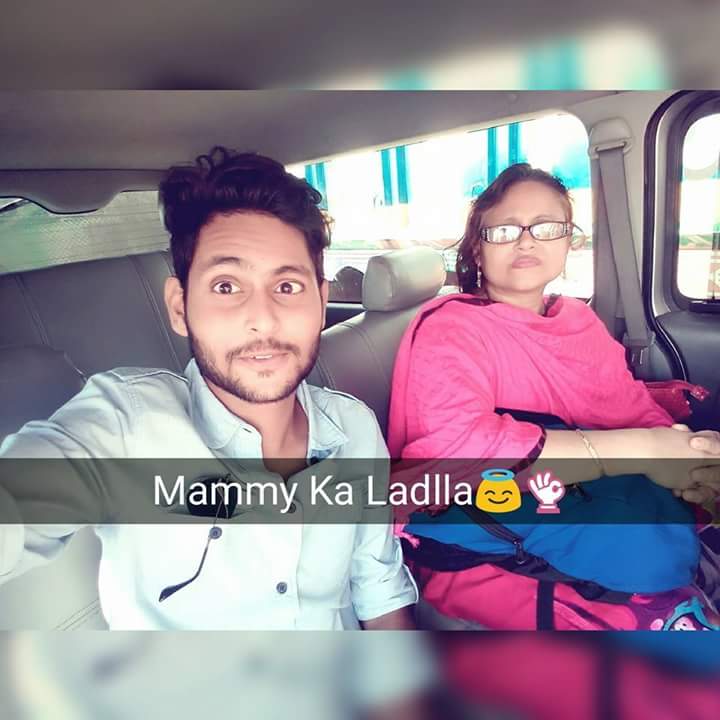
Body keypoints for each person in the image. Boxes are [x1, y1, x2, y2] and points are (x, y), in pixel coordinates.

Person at [0, 147, 417, 630]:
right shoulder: (125, 426)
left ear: (321, 303)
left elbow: (379, 588)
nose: (263, 319)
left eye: (287, 287)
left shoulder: (354, 428)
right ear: (180, 307)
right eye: (226, 286)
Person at [387, 163, 720, 630]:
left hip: (597, 513)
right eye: (505, 230)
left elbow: (630, 408)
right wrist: (640, 449)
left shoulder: (578, 321)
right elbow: (455, 448)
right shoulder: (449, 329)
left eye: (546, 227)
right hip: (485, 546)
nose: (526, 241)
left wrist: (689, 459)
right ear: (478, 248)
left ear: (568, 242)